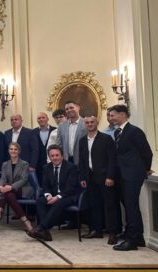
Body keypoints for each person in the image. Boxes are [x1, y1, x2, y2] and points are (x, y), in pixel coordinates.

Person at [110, 105, 153, 251]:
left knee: (131, 207)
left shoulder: (135, 131)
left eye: (113, 115)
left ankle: (132, 241)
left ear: (122, 115)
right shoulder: (117, 132)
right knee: (129, 207)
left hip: (133, 175)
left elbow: (147, 153)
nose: (111, 118)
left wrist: (145, 169)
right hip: (122, 175)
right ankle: (138, 238)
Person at [78, 116, 118, 244]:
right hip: (90, 178)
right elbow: (82, 161)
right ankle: (97, 230)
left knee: (110, 205)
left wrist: (110, 176)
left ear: (97, 123)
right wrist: (82, 177)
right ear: (85, 125)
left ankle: (113, 233)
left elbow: (112, 159)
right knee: (94, 205)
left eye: (92, 122)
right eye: (87, 122)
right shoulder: (82, 141)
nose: (90, 124)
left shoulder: (106, 138)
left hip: (105, 177)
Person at [27, 144, 80, 242]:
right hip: (54, 195)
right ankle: (46, 233)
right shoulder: (46, 167)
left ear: (62, 156)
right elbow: (45, 185)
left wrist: (57, 197)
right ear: (49, 157)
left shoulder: (71, 167)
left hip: (69, 196)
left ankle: (41, 228)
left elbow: (71, 188)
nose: (55, 158)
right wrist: (48, 195)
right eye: (52, 156)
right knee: (40, 201)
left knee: (58, 202)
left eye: (57, 155)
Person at [0, 142, 34, 233]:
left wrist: (11, 187)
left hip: (22, 189)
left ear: (19, 151)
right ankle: (26, 220)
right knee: (9, 195)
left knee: (6, 192)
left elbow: (24, 179)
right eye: (11, 149)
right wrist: (0, 186)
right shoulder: (5, 164)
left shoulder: (24, 164)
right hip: (9, 191)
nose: (13, 151)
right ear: (8, 151)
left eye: (15, 149)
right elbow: (3, 178)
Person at [57, 100, 86, 166]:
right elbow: (59, 145)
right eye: (67, 109)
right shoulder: (61, 126)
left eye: (71, 107)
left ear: (78, 107)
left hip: (83, 161)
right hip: (66, 162)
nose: (69, 110)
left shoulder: (86, 123)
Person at [32, 112, 56, 181]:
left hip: (52, 161)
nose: (41, 119)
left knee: (52, 181)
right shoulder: (33, 132)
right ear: (37, 120)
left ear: (47, 119)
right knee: (39, 182)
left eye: (43, 117)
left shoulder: (55, 130)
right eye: (39, 118)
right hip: (38, 163)